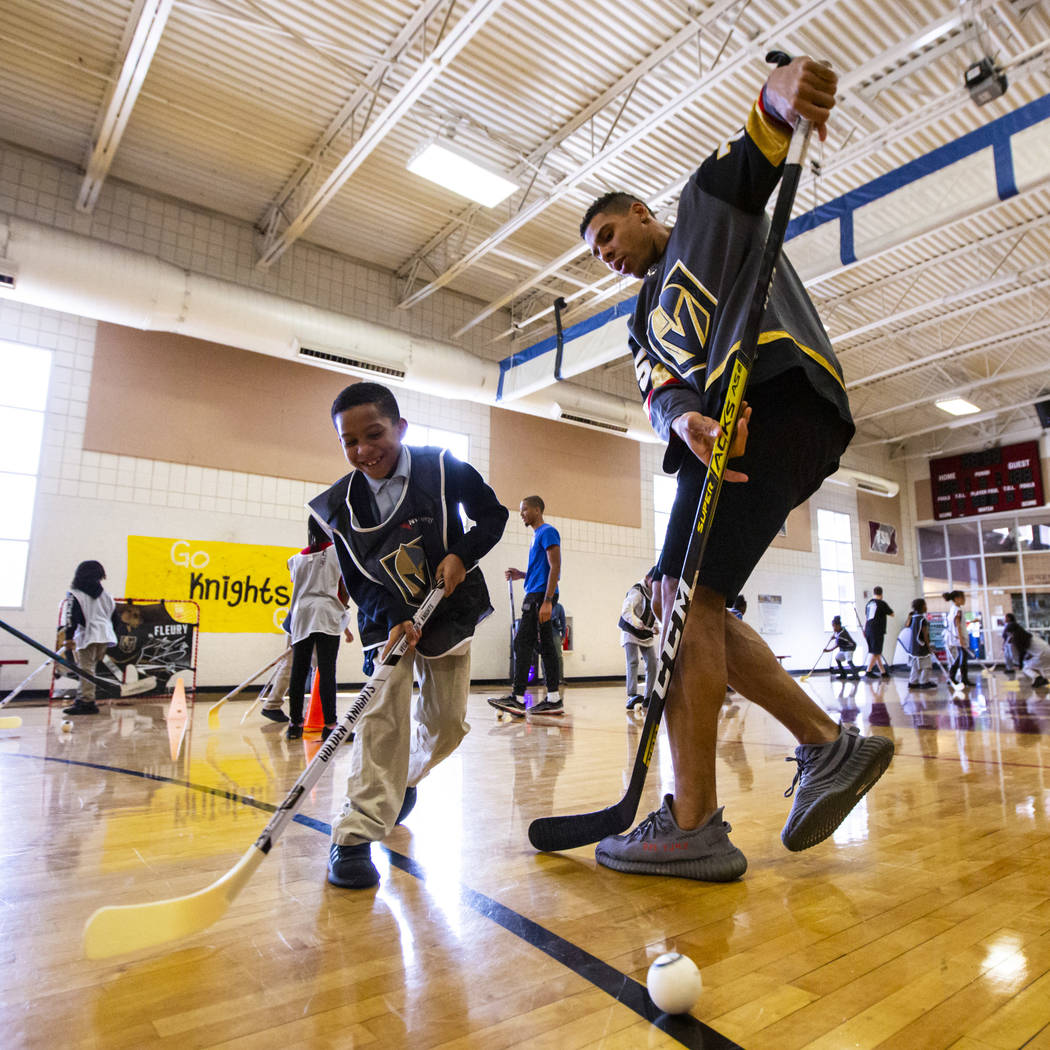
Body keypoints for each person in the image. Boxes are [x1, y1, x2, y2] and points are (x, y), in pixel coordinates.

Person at [578, 55, 893, 880]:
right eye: (594, 251)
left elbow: (755, 152)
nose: (605, 254)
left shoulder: (699, 221)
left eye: (608, 234)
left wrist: (780, 97)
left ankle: (692, 823)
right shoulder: (642, 323)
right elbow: (661, 395)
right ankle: (828, 745)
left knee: (683, 604)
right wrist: (687, 419)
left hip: (780, 397)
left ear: (641, 214)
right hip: (735, 436)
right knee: (690, 604)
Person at [308, 382, 507, 889]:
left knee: (447, 725)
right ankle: (353, 835)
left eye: (373, 434)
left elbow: (493, 515)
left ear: (400, 428)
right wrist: (395, 615)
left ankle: (405, 778)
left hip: (446, 605)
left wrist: (462, 553)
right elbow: (358, 579)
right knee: (382, 715)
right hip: (386, 618)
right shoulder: (339, 507)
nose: (362, 451)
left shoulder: (442, 467)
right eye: (348, 442)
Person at [488, 496, 564, 717]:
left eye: (525, 509)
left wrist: (548, 601)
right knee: (546, 646)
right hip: (536, 593)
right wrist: (521, 575)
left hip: (540, 597)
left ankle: (517, 698)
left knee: (522, 643)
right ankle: (553, 699)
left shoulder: (548, 531)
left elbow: (555, 566)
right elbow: (541, 569)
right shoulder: (536, 537)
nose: (521, 513)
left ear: (537, 510)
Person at [282, 518, 354, 742]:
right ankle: (330, 725)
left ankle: (294, 724)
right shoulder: (337, 553)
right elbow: (344, 590)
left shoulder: (296, 559)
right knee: (326, 671)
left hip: (301, 616)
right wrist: (344, 613)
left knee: (299, 670)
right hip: (326, 614)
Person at [57, 560, 118, 716]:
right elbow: (115, 619)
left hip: (89, 635)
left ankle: (86, 702)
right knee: (90, 669)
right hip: (105, 635)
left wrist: (69, 638)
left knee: (86, 669)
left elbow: (72, 617)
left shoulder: (75, 594)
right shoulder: (107, 596)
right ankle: (84, 698)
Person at [620, 568, 659, 710]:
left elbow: (653, 612)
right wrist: (636, 622)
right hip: (630, 631)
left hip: (645, 633)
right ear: (647, 578)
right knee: (633, 661)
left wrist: (654, 626)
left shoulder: (656, 594)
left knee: (653, 664)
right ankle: (632, 695)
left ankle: (648, 697)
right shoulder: (637, 591)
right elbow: (626, 610)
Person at [1003, 621, 1050, 688]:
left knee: (1026, 667)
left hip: (1041, 655)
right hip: (1047, 651)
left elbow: (1022, 652)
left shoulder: (1019, 638)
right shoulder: (1027, 634)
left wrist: (1020, 665)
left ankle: (1038, 678)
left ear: (1012, 632)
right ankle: (1040, 679)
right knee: (1039, 667)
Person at [943, 590, 974, 687]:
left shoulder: (954, 608)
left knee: (960, 658)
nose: (964, 599)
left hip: (955, 637)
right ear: (957, 599)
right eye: (963, 597)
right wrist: (961, 639)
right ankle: (962, 679)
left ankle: (952, 677)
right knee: (963, 658)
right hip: (959, 637)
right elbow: (958, 626)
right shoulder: (958, 610)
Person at [863, 587, 894, 677]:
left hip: (868, 629)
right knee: (876, 652)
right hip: (877, 630)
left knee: (876, 651)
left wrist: (865, 630)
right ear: (882, 594)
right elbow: (892, 614)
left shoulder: (869, 604)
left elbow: (867, 617)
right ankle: (868, 671)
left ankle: (883, 672)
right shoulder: (882, 603)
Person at [905, 598, 936, 690]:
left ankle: (912, 682)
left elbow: (906, 626)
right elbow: (925, 634)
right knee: (926, 665)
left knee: (915, 665)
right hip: (921, 646)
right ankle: (924, 681)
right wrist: (929, 646)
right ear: (922, 607)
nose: (926, 607)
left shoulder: (913, 617)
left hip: (913, 646)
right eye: (925, 605)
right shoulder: (922, 620)